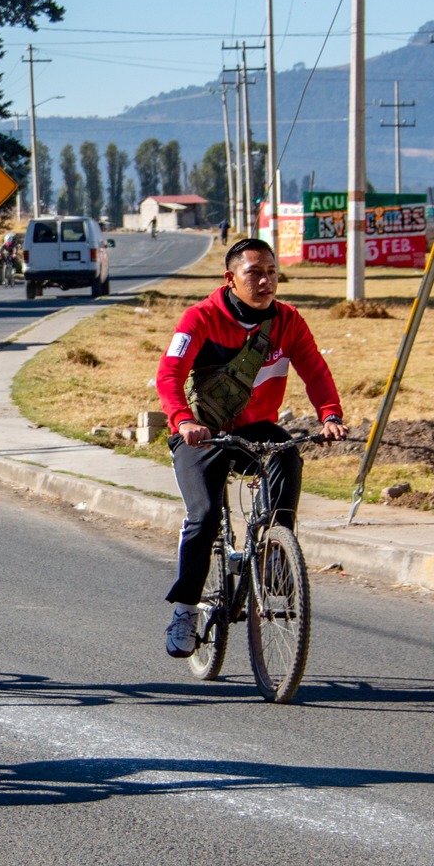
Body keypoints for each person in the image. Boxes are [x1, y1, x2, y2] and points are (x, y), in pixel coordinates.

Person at [152, 236, 348, 658]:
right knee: (203, 517)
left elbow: (314, 367)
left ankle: (274, 554)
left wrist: (330, 415)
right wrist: (183, 420)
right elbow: (168, 374)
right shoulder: (200, 318)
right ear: (230, 278)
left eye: (272, 272)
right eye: (254, 273)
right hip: (201, 433)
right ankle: (186, 609)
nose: (265, 282)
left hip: (255, 429)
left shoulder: (288, 321)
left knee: (286, 454)